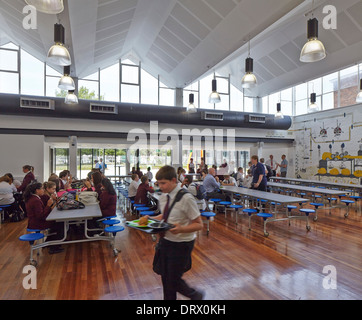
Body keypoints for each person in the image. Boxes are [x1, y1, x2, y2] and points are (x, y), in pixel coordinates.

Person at [146, 165, 203, 300]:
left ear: (173, 180)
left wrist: (181, 229)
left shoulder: (186, 198)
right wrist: (149, 219)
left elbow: (199, 224)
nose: (161, 187)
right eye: (158, 183)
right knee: (166, 279)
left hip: (182, 244)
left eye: (163, 183)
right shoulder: (164, 197)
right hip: (166, 241)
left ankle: (196, 296)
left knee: (173, 280)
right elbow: (166, 216)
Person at [23, 182, 64, 254]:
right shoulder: (35, 200)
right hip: (37, 223)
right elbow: (40, 216)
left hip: (34, 222)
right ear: (37, 190)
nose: (43, 190)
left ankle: (50, 242)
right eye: (41, 188)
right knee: (60, 224)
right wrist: (48, 205)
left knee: (57, 222)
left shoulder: (33, 198)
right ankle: (54, 247)